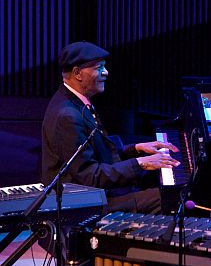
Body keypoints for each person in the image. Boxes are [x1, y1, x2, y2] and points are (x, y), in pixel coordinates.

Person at [41, 41, 180, 214]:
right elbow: (90, 177)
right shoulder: (67, 115)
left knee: (157, 182)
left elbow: (98, 155)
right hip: (81, 206)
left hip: (95, 194)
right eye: (99, 68)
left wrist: (136, 149)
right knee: (168, 198)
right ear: (77, 73)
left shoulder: (75, 101)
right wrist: (140, 163)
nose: (106, 73)